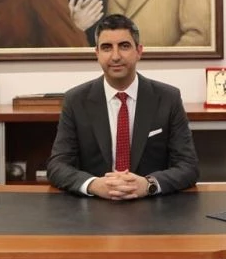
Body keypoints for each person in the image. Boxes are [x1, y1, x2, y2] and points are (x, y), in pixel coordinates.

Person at [47, 14, 199, 199]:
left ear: (139, 51)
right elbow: (57, 166)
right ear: (97, 53)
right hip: (95, 206)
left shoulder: (168, 98)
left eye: (124, 46)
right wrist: (94, 185)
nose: (116, 56)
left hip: (152, 205)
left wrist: (149, 185)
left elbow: (188, 166)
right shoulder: (76, 100)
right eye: (107, 47)